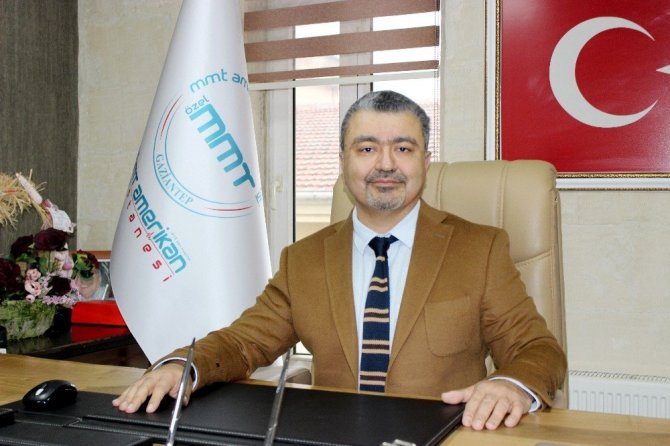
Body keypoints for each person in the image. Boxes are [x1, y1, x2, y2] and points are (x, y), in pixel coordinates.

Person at [113, 90, 567, 431]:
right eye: (367, 148)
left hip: (443, 438)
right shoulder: (304, 260)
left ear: (426, 162)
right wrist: (183, 365)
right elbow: (243, 343)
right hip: (335, 438)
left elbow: (537, 350)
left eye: (403, 148)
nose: (385, 164)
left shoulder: (480, 249)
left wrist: (510, 384)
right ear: (343, 163)